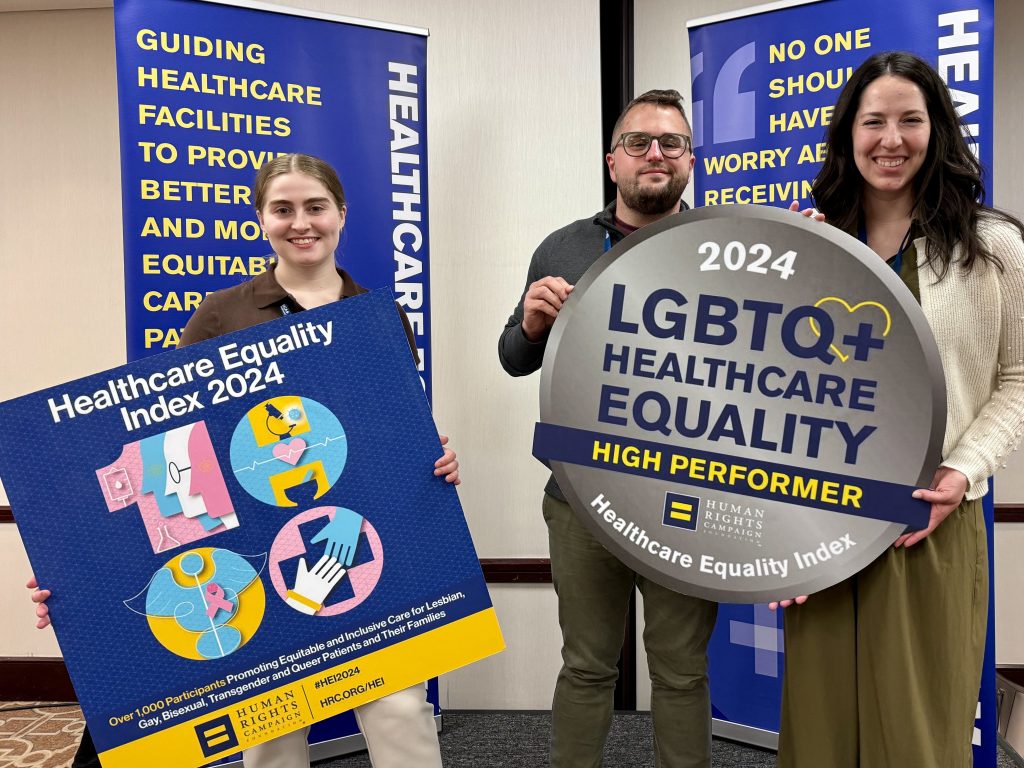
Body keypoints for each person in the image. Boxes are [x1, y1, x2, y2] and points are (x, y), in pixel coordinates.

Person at [29, 152, 458, 768]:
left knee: (400, 715)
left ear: (341, 214)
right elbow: (169, 449)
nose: (301, 222)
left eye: (315, 206)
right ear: (261, 218)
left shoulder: (379, 316)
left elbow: (391, 429)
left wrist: (432, 459)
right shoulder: (220, 315)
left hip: (354, 536)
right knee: (269, 738)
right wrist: (77, 565)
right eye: (282, 209)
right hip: (252, 548)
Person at [772, 51, 1024, 767]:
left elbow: (1020, 377)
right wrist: (772, 538)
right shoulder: (810, 242)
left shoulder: (993, 247)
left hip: (928, 522)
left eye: (910, 120)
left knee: (916, 740)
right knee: (818, 738)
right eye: (873, 120)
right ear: (848, 133)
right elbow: (768, 389)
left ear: (936, 129)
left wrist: (963, 472)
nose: (891, 139)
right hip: (821, 521)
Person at [498, 89, 718, 768]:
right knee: (588, 665)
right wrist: (532, 324)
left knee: (681, 670)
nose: (655, 153)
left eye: (671, 143)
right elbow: (512, 356)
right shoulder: (562, 245)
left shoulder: (730, 246)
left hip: (689, 496)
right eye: (638, 142)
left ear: (689, 160)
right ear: (612, 160)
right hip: (580, 498)